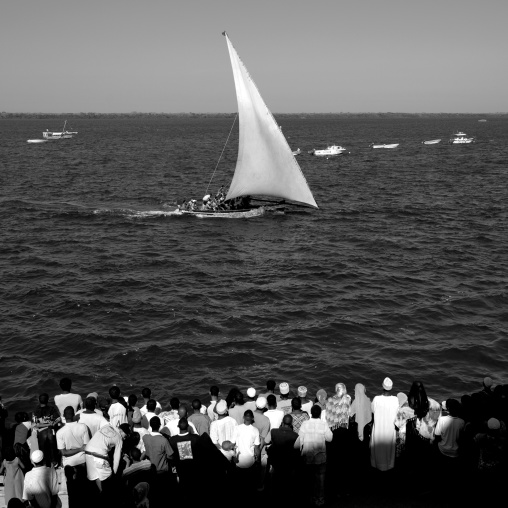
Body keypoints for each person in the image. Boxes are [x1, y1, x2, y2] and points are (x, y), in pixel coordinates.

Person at [294, 405, 333, 507]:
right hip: (320, 457)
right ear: (320, 414)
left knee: (309, 478)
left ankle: (309, 498)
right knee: (320, 479)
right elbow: (330, 438)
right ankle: (319, 499)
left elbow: (300, 439)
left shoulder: (305, 424)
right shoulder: (324, 424)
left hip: (308, 456)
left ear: (311, 413)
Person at [84, 422, 130, 498]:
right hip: (99, 455)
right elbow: (116, 457)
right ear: (121, 431)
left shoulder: (107, 426)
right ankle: (107, 496)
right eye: (126, 434)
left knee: (96, 476)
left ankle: (101, 494)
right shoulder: (119, 438)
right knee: (108, 476)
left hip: (88, 451)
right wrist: (114, 473)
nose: (126, 437)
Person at [57, 406, 90, 508]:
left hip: (69, 464)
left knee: (72, 492)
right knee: (84, 490)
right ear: (74, 415)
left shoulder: (60, 432)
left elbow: (63, 452)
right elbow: (86, 446)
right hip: (82, 461)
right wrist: (80, 449)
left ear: (63, 416)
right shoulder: (83, 427)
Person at [370, 377, 399, 471]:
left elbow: (373, 410)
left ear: (383, 387)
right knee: (388, 451)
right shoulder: (395, 400)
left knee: (377, 451)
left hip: (378, 429)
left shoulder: (376, 399)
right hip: (389, 430)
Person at [231, 410, 260, 493]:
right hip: (250, 461)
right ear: (252, 418)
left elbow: (232, 444)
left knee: (239, 483)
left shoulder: (237, 428)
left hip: (239, 461)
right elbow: (257, 448)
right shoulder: (255, 430)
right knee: (249, 483)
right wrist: (258, 460)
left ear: (243, 417)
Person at [168, 417, 200, 490]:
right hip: (194, 469)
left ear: (178, 426)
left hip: (180, 469)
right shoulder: (195, 438)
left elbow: (171, 456)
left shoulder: (172, 440)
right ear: (188, 426)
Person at [32, 393, 60, 466]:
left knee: (42, 448)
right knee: (52, 447)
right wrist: (51, 424)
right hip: (50, 431)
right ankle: (54, 462)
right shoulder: (52, 408)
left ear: (39, 400)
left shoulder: (35, 410)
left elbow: (36, 424)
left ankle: (44, 463)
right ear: (48, 400)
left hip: (41, 432)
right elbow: (58, 419)